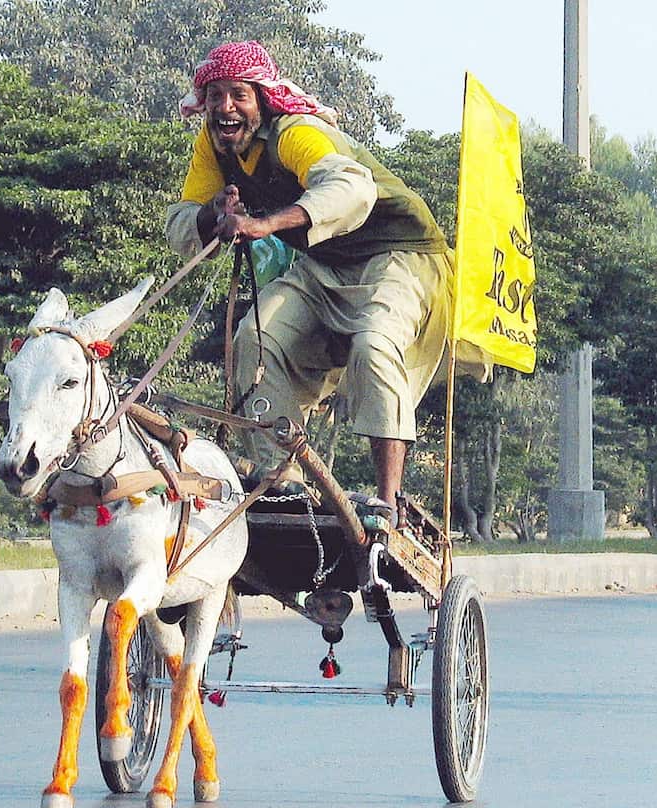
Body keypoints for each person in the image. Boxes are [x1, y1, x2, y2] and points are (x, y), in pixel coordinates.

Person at [165, 41, 462, 525]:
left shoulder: (296, 133)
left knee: (374, 343)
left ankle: (389, 500)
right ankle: (281, 483)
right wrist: (211, 214)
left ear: (261, 98)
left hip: (398, 255)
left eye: (237, 95)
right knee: (256, 339)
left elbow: (351, 188)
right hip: (323, 263)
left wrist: (266, 224)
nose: (224, 109)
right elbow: (180, 219)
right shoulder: (213, 145)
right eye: (214, 96)